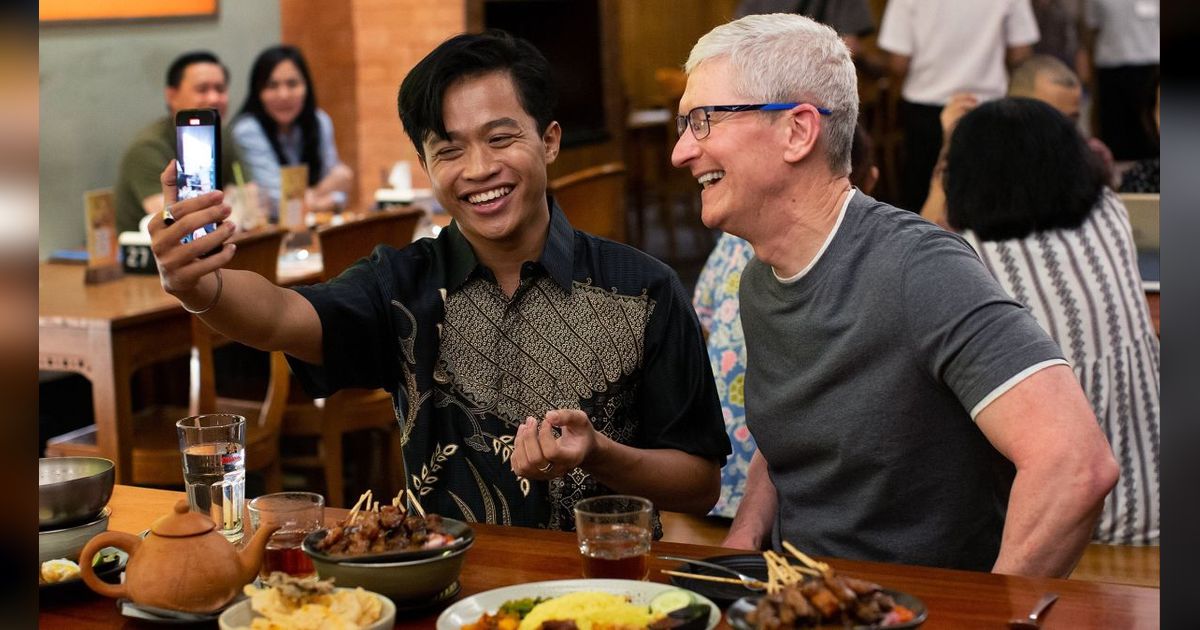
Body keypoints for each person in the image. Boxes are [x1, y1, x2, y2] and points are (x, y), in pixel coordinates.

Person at [148, 30, 729, 532]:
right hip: (450, 587)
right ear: (425, 166)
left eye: (501, 139)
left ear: (549, 141)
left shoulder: (644, 290)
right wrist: (204, 289)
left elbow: (699, 483)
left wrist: (599, 454)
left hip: (610, 590)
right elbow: (279, 314)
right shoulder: (400, 286)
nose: (479, 170)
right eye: (448, 150)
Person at [671, 14, 1117, 576]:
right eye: (684, 125)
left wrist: (992, 616)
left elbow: (1075, 464)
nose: (681, 152)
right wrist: (744, 535)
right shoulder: (761, 277)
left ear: (797, 131)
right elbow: (792, 441)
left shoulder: (918, 268)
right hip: (801, 599)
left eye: (704, 121)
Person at [941, 97, 1159, 546]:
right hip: (1160, 493)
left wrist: (946, 141)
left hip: (1082, 531)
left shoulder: (972, 261)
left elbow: (918, 240)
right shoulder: (1109, 217)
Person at [692, 123, 877, 519]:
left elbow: (702, 324)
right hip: (791, 493)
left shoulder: (730, 243)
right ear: (870, 180)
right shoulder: (857, 263)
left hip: (716, 471)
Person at [877, 0, 1039, 212]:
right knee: (989, 205)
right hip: (987, 107)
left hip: (926, 108)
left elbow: (899, 62)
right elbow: (1021, 53)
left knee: (923, 210)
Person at [115, 51, 247, 234]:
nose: (214, 98)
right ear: (172, 96)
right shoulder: (148, 147)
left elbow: (249, 197)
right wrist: (231, 204)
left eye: (220, 89)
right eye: (202, 89)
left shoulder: (222, 134)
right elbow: (175, 218)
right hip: (152, 255)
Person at [232, 45, 353, 217]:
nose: (284, 95)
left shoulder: (319, 121)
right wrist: (324, 190)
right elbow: (278, 204)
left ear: (306, 87)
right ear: (258, 92)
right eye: (272, 86)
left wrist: (323, 197)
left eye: (292, 84)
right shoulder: (247, 130)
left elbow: (340, 195)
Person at [1081, 0, 1159, 162]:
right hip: (1111, 66)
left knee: (1150, 136)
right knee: (1115, 135)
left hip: (1150, 67)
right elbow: (1090, 29)